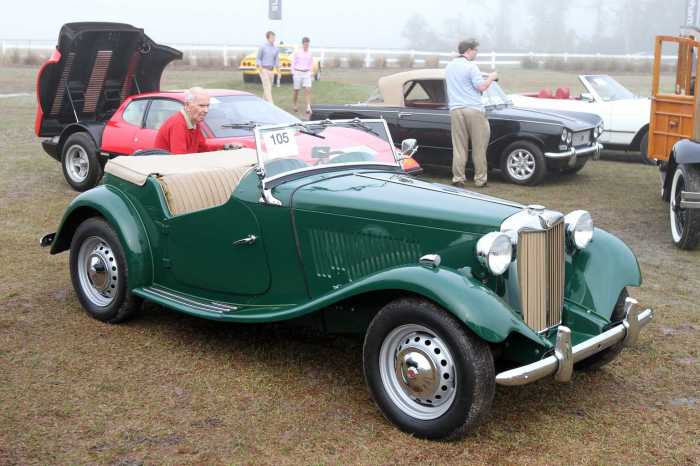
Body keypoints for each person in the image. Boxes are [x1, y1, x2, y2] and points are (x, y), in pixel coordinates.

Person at [445, 39, 498, 188]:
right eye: (475, 50)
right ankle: (480, 179)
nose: (476, 53)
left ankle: (458, 178)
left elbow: (456, 58)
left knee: (459, 146)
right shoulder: (471, 66)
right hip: (473, 109)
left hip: (456, 110)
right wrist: (491, 77)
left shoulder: (449, 66)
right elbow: (481, 87)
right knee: (479, 146)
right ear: (469, 50)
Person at [154, 87, 210, 154]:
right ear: (187, 105)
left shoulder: (194, 122)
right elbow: (180, 158)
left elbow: (203, 149)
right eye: (201, 106)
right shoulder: (178, 124)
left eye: (207, 106)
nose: (206, 110)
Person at [291, 37, 314, 115]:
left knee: (308, 90)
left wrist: (311, 73)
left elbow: (311, 64)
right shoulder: (297, 52)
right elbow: (293, 63)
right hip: (297, 72)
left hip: (306, 73)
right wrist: (293, 72)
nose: (306, 46)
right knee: (296, 90)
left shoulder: (310, 53)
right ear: (303, 44)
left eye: (308, 44)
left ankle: (308, 107)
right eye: (305, 44)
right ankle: (295, 105)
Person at [257, 31, 279, 103]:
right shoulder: (262, 47)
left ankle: (262, 103)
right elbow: (258, 58)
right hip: (263, 70)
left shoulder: (276, 49)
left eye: (274, 37)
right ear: (268, 38)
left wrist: (278, 71)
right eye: (272, 37)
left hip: (271, 71)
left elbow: (276, 61)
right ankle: (271, 105)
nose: (274, 39)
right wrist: (260, 67)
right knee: (267, 87)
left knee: (268, 89)